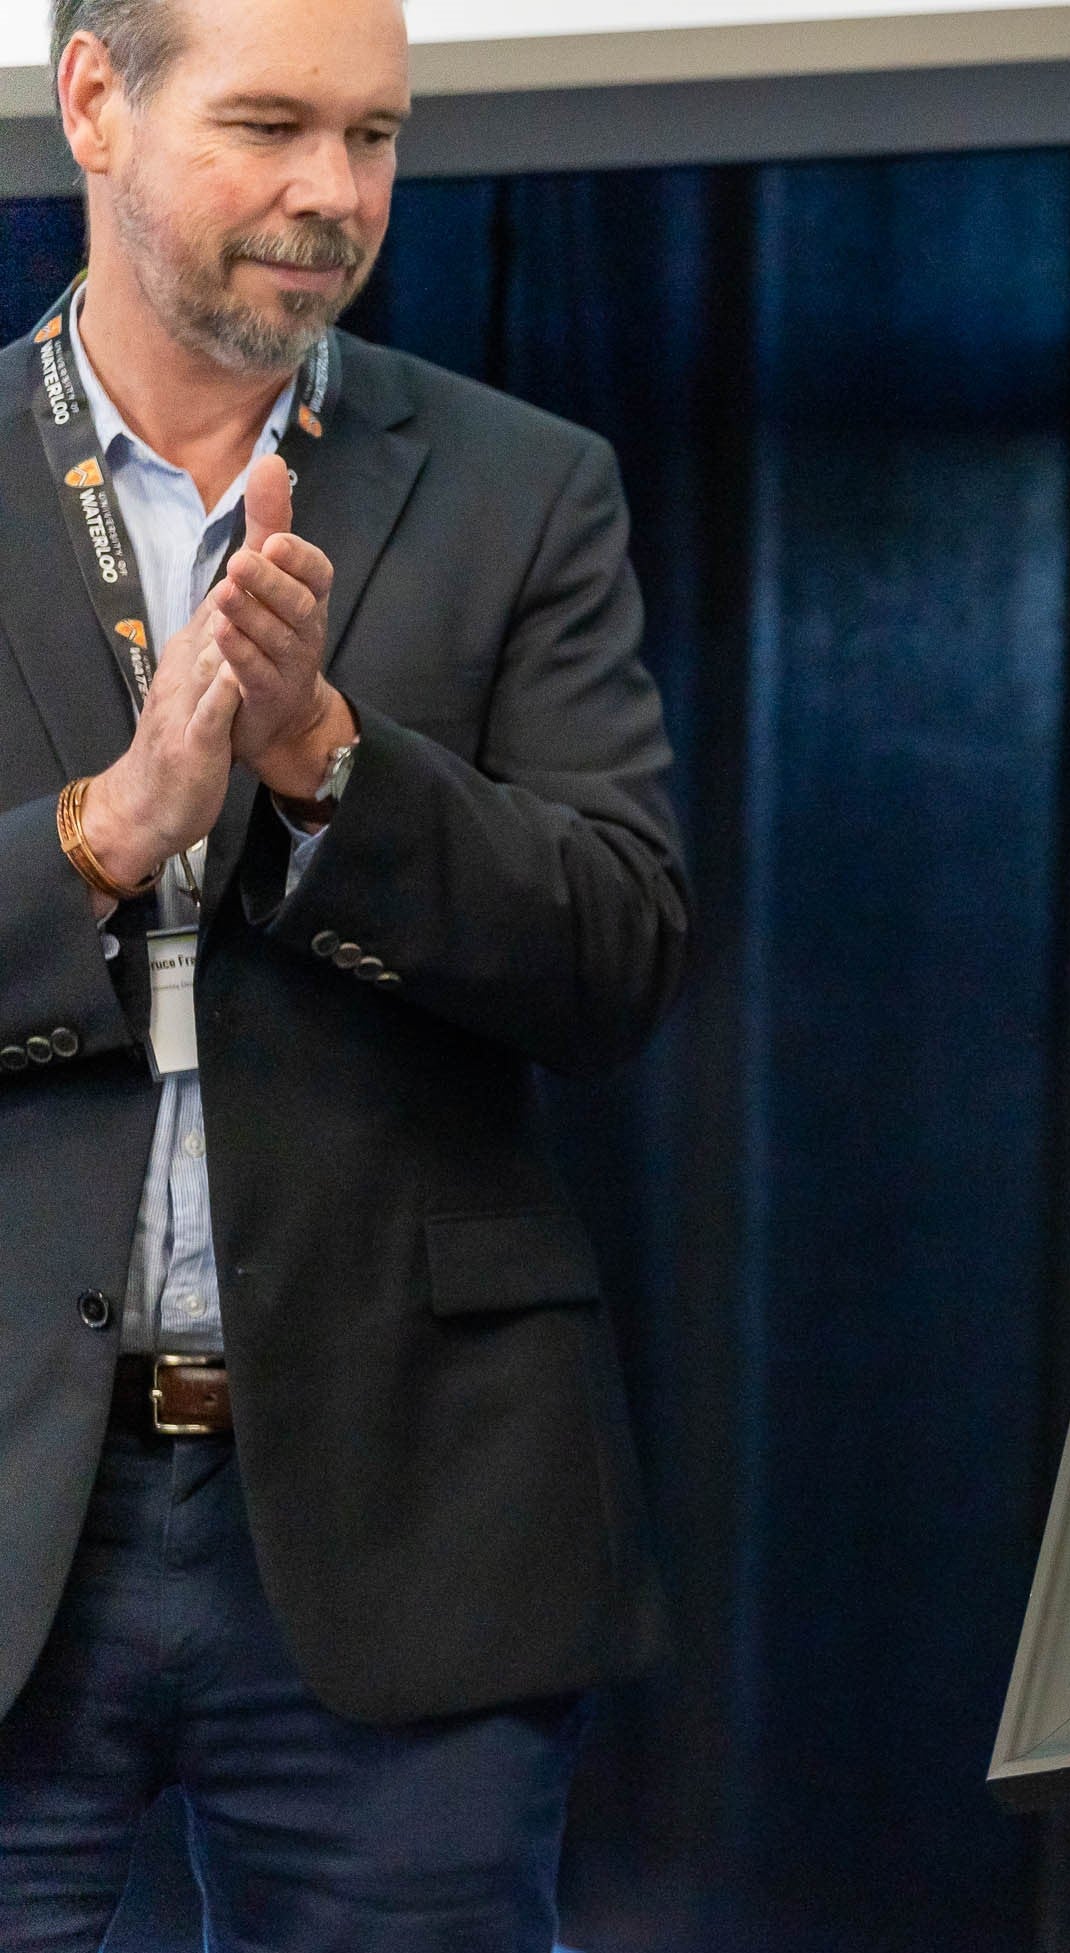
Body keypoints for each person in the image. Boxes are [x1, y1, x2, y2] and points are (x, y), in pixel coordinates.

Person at [0, 0, 685, 1946]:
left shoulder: (523, 485)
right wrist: (105, 830)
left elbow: (622, 949)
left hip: (412, 1502)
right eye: (276, 125)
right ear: (96, 103)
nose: (333, 194)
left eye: (375, 138)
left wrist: (331, 770)